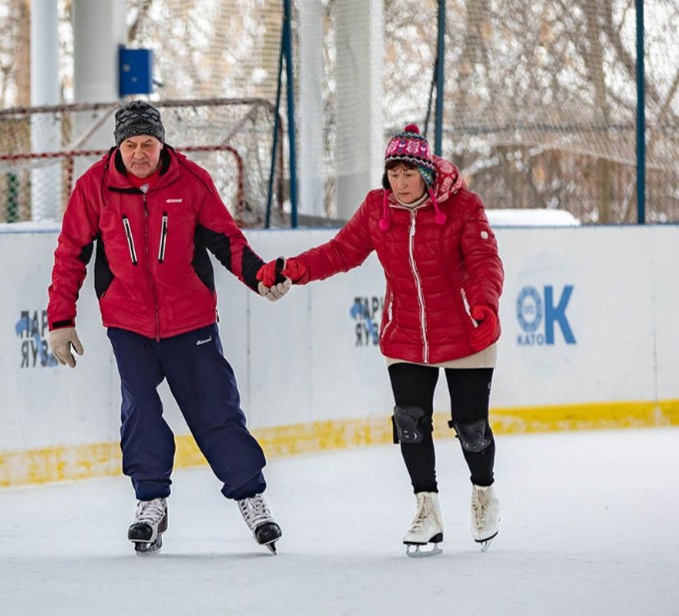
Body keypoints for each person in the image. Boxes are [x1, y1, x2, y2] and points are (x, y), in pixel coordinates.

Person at [46, 100, 292, 555]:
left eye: (149, 144)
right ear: (118, 145)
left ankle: (252, 499)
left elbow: (226, 239)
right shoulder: (94, 187)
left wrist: (260, 278)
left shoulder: (191, 181)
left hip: (190, 320)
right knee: (140, 410)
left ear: (162, 143)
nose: (140, 153)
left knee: (215, 410)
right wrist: (60, 319)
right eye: (131, 144)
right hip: (128, 322)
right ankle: (151, 503)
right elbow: (70, 254)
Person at [257, 124, 504, 556]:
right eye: (393, 173)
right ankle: (426, 508)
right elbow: (340, 252)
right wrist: (293, 268)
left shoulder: (463, 206)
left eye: (409, 173)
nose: (400, 183)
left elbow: (485, 260)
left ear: (426, 174)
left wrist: (484, 303)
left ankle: (484, 492)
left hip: (467, 328)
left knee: (472, 429)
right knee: (409, 421)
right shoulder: (378, 209)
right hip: (406, 332)